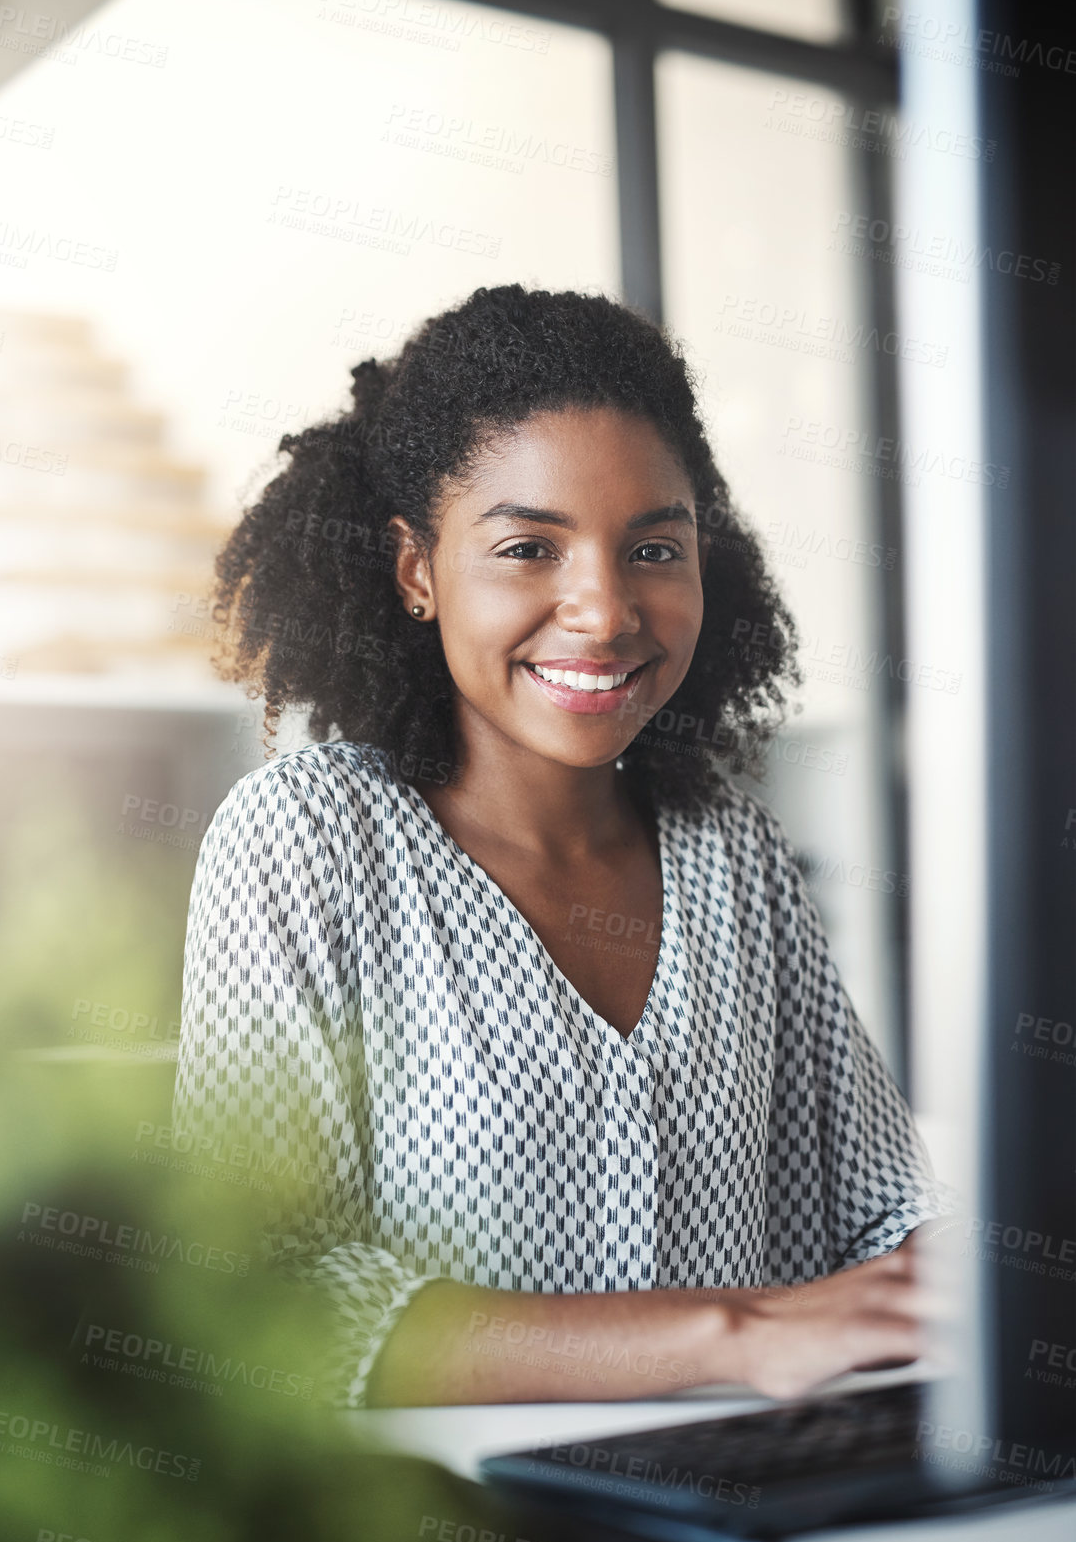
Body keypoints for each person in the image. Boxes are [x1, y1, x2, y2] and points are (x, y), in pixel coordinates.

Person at [173, 284, 956, 1410]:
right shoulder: (308, 843)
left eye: (651, 547)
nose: (600, 609)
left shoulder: (729, 850)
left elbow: (882, 1212)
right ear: (415, 569)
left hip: (749, 1509)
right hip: (453, 1536)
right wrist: (727, 1331)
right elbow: (263, 1295)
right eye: (528, 547)